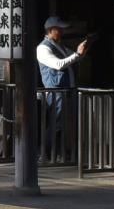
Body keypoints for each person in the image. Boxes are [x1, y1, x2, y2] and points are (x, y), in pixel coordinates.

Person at [36, 16, 88, 161]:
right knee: (56, 123)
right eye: (58, 29)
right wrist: (77, 54)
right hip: (55, 91)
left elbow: (75, 58)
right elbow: (59, 64)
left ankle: (57, 153)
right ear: (50, 30)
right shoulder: (43, 48)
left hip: (65, 90)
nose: (61, 32)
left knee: (60, 124)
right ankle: (44, 152)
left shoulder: (59, 46)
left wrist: (82, 52)